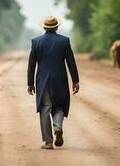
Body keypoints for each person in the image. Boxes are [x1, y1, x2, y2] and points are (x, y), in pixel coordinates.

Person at [27, 16, 80, 149]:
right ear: (56, 27)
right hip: (60, 80)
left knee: (45, 108)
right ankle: (58, 127)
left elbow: (31, 65)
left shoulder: (36, 42)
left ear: (44, 27)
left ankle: (49, 142)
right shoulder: (64, 41)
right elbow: (71, 62)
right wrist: (75, 81)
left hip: (43, 81)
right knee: (59, 106)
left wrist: (30, 83)